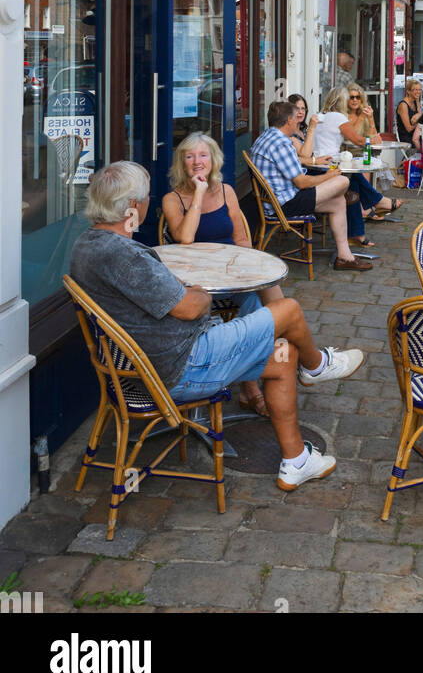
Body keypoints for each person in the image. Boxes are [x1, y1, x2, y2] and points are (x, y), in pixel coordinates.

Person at [70, 162, 364, 492]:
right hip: (183, 366)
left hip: (145, 365)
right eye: (145, 197)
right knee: (289, 310)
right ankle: (318, 366)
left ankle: (296, 462)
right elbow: (192, 308)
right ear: (132, 207)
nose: (147, 202)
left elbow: (149, 295)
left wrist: (174, 287)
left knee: (284, 355)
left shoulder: (87, 246)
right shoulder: (124, 256)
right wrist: (195, 291)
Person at [161, 132, 281, 417]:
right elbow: (185, 238)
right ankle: (253, 387)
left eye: (203, 155)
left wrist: (244, 271)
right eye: (189, 156)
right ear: (182, 163)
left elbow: (242, 240)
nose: (197, 162)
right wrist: (200, 194)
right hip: (197, 283)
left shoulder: (227, 191)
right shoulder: (173, 198)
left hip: (231, 274)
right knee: (260, 308)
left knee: (261, 302)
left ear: (213, 159)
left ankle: (272, 368)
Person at [251, 101, 372, 272]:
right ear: (288, 121)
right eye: (295, 118)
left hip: (279, 198)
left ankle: (345, 257)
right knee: (343, 181)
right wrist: (329, 175)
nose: (297, 121)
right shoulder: (281, 143)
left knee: (338, 203)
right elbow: (301, 182)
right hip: (285, 203)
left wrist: (318, 165)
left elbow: (296, 167)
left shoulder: (267, 137)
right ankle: (345, 194)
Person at [315, 86, 402, 222]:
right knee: (361, 170)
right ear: (344, 100)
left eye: (358, 97)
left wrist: (371, 119)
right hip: (346, 153)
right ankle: (369, 206)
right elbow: (352, 137)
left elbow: (375, 138)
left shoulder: (334, 116)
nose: (355, 100)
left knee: (364, 166)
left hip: (359, 153)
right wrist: (362, 118)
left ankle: (369, 208)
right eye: (351, 97)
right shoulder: (342, 116)